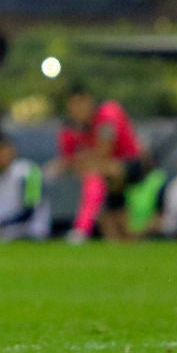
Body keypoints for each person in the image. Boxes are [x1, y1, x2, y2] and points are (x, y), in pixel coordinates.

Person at [52, 84, 142, 243]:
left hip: (131, 165)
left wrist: (80, 161)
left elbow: (104, 150)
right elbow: (66, 159)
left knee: (94, 173)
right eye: (73, 105)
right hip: (104, 177)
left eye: (81, 103)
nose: (77, 109)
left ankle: (82, 228)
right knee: (103, 200)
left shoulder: (108, 113)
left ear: (89, 101)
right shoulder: (70, 128)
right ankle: (106, 239)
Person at [0, 136, 50, 241]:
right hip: (0, 236)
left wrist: (0, 225)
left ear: (12, 152)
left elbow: (29, 211)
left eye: (3, 151)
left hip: (32, 234)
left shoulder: (31, 172)